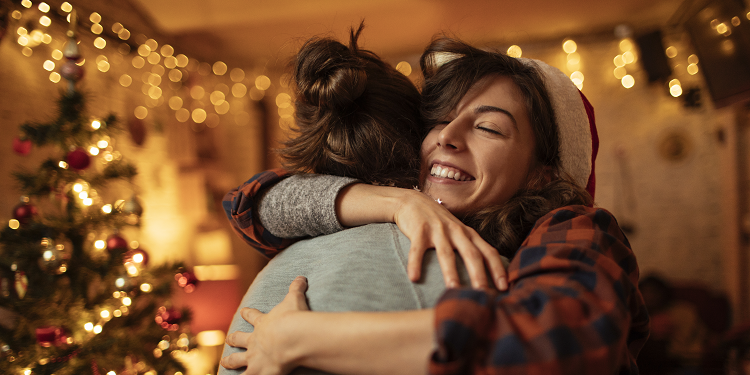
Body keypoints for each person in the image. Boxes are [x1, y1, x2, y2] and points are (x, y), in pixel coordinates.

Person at [221, 37, 649, 374]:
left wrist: (299, 338)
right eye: (440, 120)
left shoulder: (576, 226)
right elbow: (249, 205)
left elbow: (559, 345)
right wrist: (397, 202)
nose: (447, 136)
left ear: (543, 172)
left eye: (488, 127)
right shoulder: (407, 205)